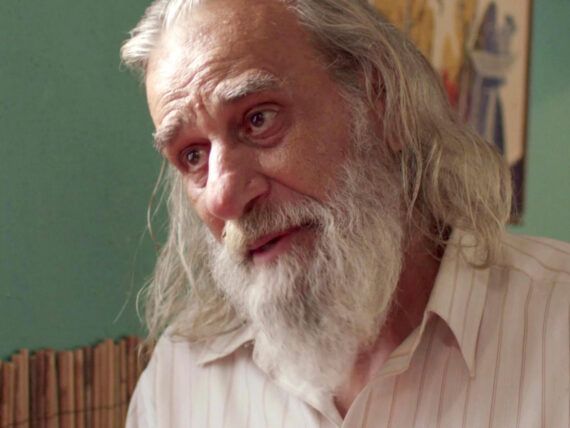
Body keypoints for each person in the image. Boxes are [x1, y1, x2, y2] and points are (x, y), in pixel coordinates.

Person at [120, 0, 570, 426]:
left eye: (258, 119)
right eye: (193, 156)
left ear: (383, 103)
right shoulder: (179, 381)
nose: (224, 198)